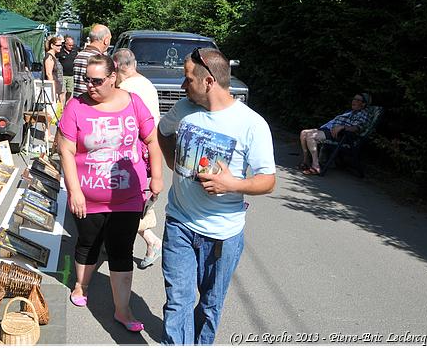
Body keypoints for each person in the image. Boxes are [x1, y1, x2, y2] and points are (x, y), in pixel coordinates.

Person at [157, 47, 276, 345]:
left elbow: (268, 180)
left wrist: (231, 185)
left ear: (208, 81)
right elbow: (162, 131)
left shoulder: (251, 124)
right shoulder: (184, 109)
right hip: (180, 224)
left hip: (223, 236)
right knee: (178, 302)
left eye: (187, 79)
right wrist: (173, 161)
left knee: (210, 307)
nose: (183, 86)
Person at [56, 54, 164, 333]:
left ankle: (122, 309)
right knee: (88, 244)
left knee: (122, 251)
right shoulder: (76, 106)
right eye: (86, 80)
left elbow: (152, 141)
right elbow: (66, 151)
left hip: (128, 196)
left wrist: (157, 177)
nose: (90, 86)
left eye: (97, 81)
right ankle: (82, 284)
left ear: (113, 77)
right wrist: (74, 190)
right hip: (88, 197)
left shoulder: (133, 103)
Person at [113, 48, 163, 269]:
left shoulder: (126, 88)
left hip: (136, 151)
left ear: (116, 66)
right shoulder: (146, 83)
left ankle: (152, 241)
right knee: (136, 201)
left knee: (131, 201)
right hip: (149, 150)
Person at [298, 92, 372, 175]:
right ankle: (306, 161)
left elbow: (357, 128)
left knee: (311, 136)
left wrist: (343, 127)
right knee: (303, 133)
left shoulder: (363, 114)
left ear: (363, 104)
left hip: (342, 135)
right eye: (354, 99)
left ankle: (315, 166)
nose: (354, 101)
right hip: (330, 130)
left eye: (357, 100)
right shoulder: (350, 112)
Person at [72, 24, 111, 98]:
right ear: (106, 40)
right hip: (91, 102)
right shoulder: (99, 59)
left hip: (77, 100)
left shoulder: (79, 55)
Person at [43, 35, 64, 103]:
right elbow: (49, 74)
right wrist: (52, 91)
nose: (60, 47)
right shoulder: (49, 57)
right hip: (53, 89)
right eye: (58, 45)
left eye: (61, 45)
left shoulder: (54, 56)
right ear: (52, 45)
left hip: (57, 88)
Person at [58, 36, 78, 101]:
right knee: (62, 92)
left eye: (72, 45)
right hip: (62, 75)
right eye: (69, 45)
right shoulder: (60, 50)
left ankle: (67, 105)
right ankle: (62, 107)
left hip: (71, 75)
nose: (71, 47)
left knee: (70, 91)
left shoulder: (75, 50)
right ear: (65, 44)